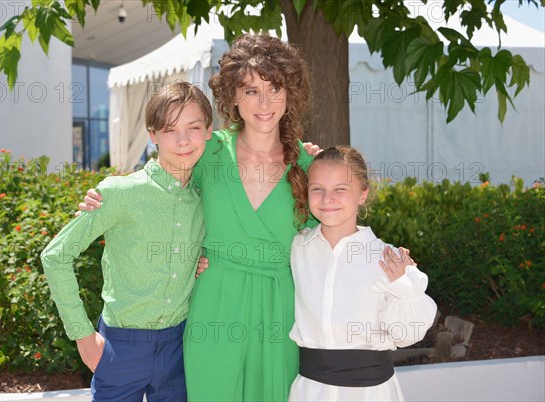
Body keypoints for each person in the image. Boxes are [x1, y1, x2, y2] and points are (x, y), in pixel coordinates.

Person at [79, 34, 320, 401]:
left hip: (279, 311)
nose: (264, 102)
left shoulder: (308, 166)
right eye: (251, 90)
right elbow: (158, 193)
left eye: (275, 88)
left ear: (291, 94)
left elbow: (328, 240)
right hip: (214, 306)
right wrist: (104, 197)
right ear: (232, 96)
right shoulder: (208, 152)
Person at [40, 81, 213, 402]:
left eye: (194, 127)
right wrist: (83, 337)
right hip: (121, 346)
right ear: (152, 135)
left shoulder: (207, 198)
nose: (184, 140)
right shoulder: (121, 193)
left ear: (208, 131)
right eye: (170, 129)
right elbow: (55, 256)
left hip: (180, 347)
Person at [287, 146, 438, 401]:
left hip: (369, 392)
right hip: (311, 391)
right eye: (317, 189)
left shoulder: (387, 259)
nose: (327, 199)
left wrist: (405, 286)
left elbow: (406, 335)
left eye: (341, 189)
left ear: (363, 194)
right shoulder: (297, 247)